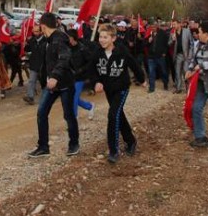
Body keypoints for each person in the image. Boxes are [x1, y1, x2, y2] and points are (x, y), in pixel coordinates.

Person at [90, 24, 145, 164]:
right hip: (108, 90)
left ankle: (113, 151)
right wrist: (96, 82)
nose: (101, 40)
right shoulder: (97, 52)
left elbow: (134, 65)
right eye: (100, 37)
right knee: (118, 115)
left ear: (113, 38)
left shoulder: (122, 51)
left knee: (113, 115)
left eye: (105, 37)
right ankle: (131, 141)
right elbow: (92, 70)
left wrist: (142, 79)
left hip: (121, 89)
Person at [28, 12, 79, 158]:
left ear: (43, 26)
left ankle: (74, 144)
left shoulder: (59, 39)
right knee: (42, 113)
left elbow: (64, 58)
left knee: (68, 115)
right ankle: (43, 147)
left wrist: (55, 76)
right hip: (50, 85)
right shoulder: (48, 39)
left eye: (39, 25)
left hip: (65, 84)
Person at [66, 29, 96, 120]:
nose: (66, 39)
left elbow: (90, 62)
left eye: (68, 37)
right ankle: (90, 106)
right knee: (72, 97)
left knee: (74, 96)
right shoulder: (67, 48)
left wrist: (81, 70)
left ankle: (74, 117)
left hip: (80, 77)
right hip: (70, 76)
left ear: (73, 38)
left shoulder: (83, 49)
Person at [23, 24, 46, 105]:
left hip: (43, 65)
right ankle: (30, 97)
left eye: (36, 31)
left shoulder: (46, 40)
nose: (34, 33)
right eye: (33, 31)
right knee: (32, 81)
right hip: (34, 64)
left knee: (44, 82)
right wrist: (25, 45)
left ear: (41, 32)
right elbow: (28, 49)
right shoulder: (32, 40)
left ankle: (46, 98)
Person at [168, 19, 193, 93]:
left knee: (186, 72)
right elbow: (169, 44)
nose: (173, 26)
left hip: (186, 55)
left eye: (175, 24)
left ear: (179, 24)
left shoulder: (187, 31)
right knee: (177, 72)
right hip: (178, 55)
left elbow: (191, 44)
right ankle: (178, 88)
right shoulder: (172, 33)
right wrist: (172, 40)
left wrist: (190, 55)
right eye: (172, 24)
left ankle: (188, 88)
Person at [145, 21, 169, 93]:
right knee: (151, 72)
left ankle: (165, 83)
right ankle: (151, 87)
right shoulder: (149, 34)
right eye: (152, 27)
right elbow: (145, 44)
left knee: (163, 71)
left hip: (160, 56)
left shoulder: (163, 33)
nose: (153, 28)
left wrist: (164, 53)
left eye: (154, 27)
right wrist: (148, 41)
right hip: (151, 57)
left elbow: (166, 44)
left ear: (157, 26)